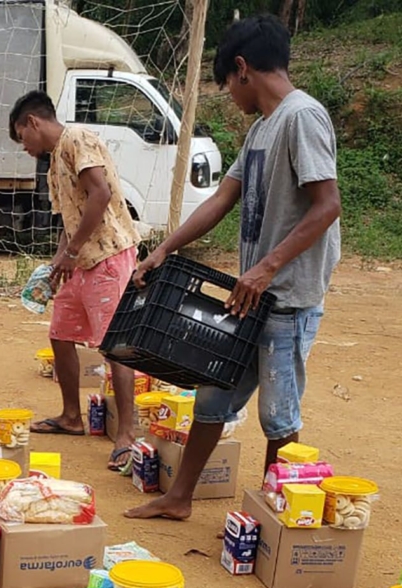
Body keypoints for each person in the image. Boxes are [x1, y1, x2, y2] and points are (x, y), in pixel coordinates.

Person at [126, 15, 341, 521]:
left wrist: (267, 267)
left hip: (287, 294)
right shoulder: (262, 130)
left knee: (278, 416)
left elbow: (327, 205)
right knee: (213, 393)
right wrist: (164, 249)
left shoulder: (302, 117)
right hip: (253, 294)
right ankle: (180, 498)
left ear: (242, 69)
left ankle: (276, 514)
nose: (230, 97)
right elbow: (221, 199)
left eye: (226, 85)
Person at [8, 91, 141, 471]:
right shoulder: (53, 164)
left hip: (109, 256)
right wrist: (56, 265)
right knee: (60, 333)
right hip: (81, 260)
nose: (25, 148)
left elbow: (101, 193)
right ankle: (71, 416)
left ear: (33, 122)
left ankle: (126, 434)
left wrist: (72, 250)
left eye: (22, 138)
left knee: (115, 345)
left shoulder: (78, 139)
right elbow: (69, 220)